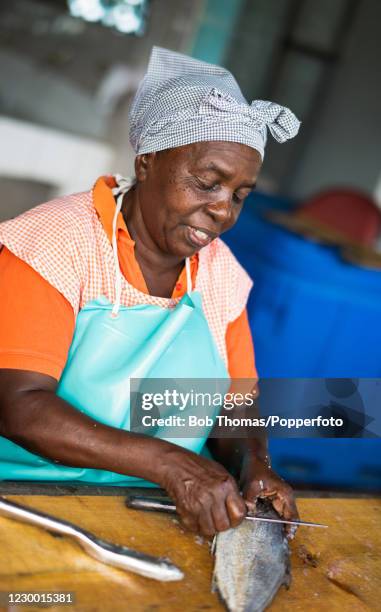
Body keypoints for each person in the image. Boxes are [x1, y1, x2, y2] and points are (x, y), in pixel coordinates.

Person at [0, 47, 300, 536]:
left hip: (151, 510)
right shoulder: (55, 242)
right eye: (207, 183)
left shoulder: (221, 274)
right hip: (23, 502)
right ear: (147, 163)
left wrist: (254, 466)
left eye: (240, 195)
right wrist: (170, 464)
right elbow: (19, 407)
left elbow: (235, 406)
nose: (223, 210)